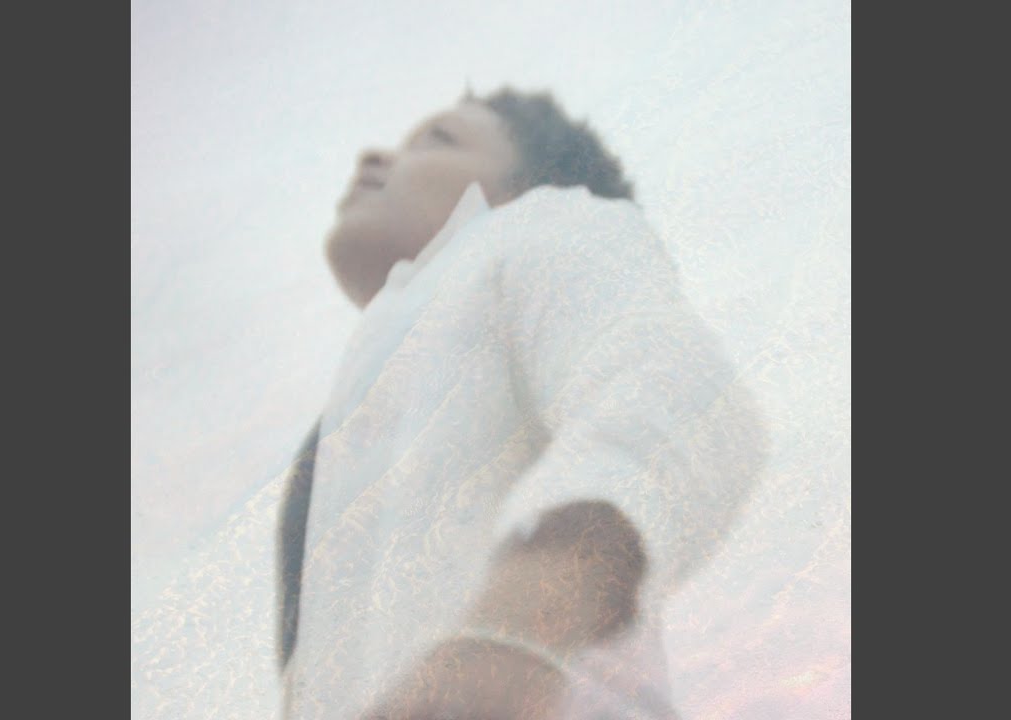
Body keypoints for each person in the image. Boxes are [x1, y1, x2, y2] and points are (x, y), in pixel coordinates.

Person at [278, 87, 768, 720]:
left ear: (522, 187)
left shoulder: (550, 224)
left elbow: (672, 387)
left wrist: (526, 613)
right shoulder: (351, 421)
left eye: (438, 140)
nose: (374, 156)